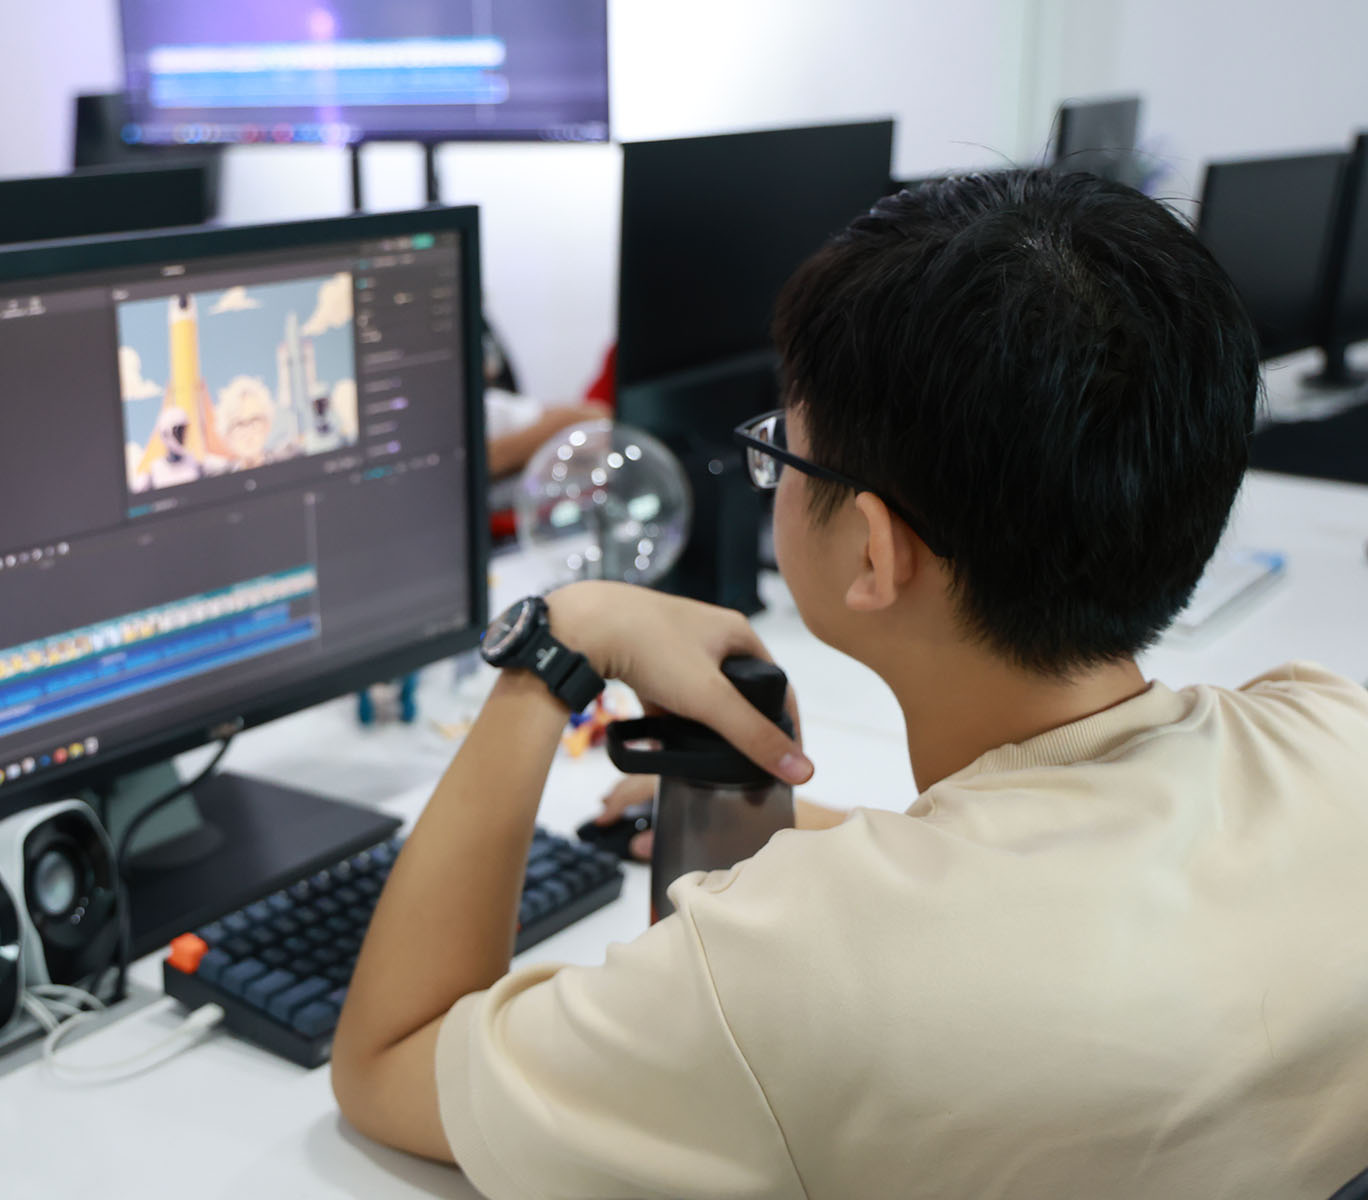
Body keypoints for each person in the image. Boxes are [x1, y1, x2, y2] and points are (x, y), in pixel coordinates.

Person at [327, 169, 1368, 1197]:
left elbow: (388, 1063)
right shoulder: (1333, 732)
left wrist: (557, 644)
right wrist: (830, 844)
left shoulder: (783, 987)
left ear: (874, 551)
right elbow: (1099, 858)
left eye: (785, 449)